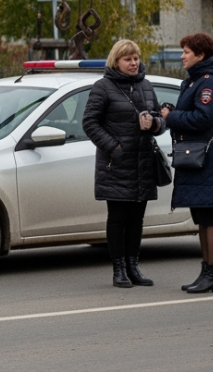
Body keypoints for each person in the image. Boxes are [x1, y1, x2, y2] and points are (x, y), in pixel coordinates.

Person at [81, 39, 164, 288]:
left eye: (136, 58)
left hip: (142, 163)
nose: (133, 63)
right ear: (116, 61)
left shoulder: (146, 86)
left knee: (136, 219)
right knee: (117, 218)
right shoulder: (103, 87)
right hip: (116, 165)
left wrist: (156, 124)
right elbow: (89, 123)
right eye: (128, 59)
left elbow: (160, 118)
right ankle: (118, 270)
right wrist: (114, 147)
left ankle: (133, 266)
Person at [161, 32, 213, 294]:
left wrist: (172, 116)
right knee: (201, 215)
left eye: (186, 52)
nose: (182, 56)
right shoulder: (193, 82)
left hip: (207, 159)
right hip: (195, 158)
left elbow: (203, 119)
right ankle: (206, 272)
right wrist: (173, 113)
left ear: (200, 55)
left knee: (210, 216)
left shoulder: (210, 83)